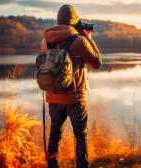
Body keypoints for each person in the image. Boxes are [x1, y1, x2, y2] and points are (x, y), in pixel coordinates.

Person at [40, 4, 102, 168]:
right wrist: (89, 39)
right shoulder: (79, 41)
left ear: (58, 20)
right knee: (80, 136)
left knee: (54, 134)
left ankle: (52, 165)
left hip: (53, 98)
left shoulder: (45, 42)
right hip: (75, 98)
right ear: (74, 21)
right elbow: (97, 62)